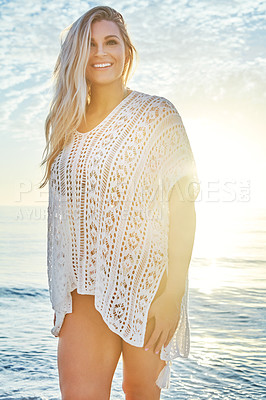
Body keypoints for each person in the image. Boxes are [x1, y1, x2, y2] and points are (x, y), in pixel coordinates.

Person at [40, 5, 200, 400]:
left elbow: (183, 207)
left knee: (140, 394)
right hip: (84, 295)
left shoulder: (157, 114)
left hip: (148, 287)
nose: (101, 52)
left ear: (126, 51)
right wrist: (61, 291)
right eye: (90, 44)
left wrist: (172, 294)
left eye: (111, 41)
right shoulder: (65, 124)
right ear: (77, 54)